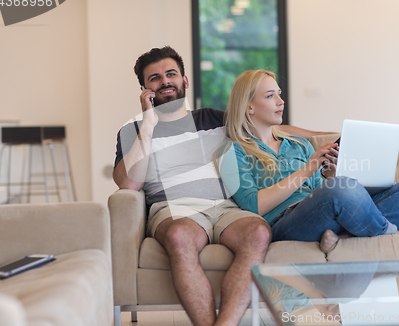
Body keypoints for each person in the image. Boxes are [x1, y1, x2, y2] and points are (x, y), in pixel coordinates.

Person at [113, 47, 320, 326]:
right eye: (155, 78)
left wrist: (325, 136)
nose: (164, 81)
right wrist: (149, 125)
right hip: (174, 208)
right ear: (144, 89)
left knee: (258, 232)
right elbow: (128, 182)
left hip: (226, 208)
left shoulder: (213, 119)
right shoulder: (133, 131)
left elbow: (270, 127)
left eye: (171, 74)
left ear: (185, 81)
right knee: (179, 237)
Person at [217, 69, 399, 256]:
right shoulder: (232, 152)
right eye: (270, 96)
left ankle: (345, 237)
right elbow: (253, 206)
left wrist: (333, 176)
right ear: (249, 107)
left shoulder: (299, 145)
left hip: (328, 217)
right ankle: (394, 236)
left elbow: (319, 192)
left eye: (280, 94)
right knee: (342, 189)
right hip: (285, 223)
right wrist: (309, 171)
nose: (280, 101)